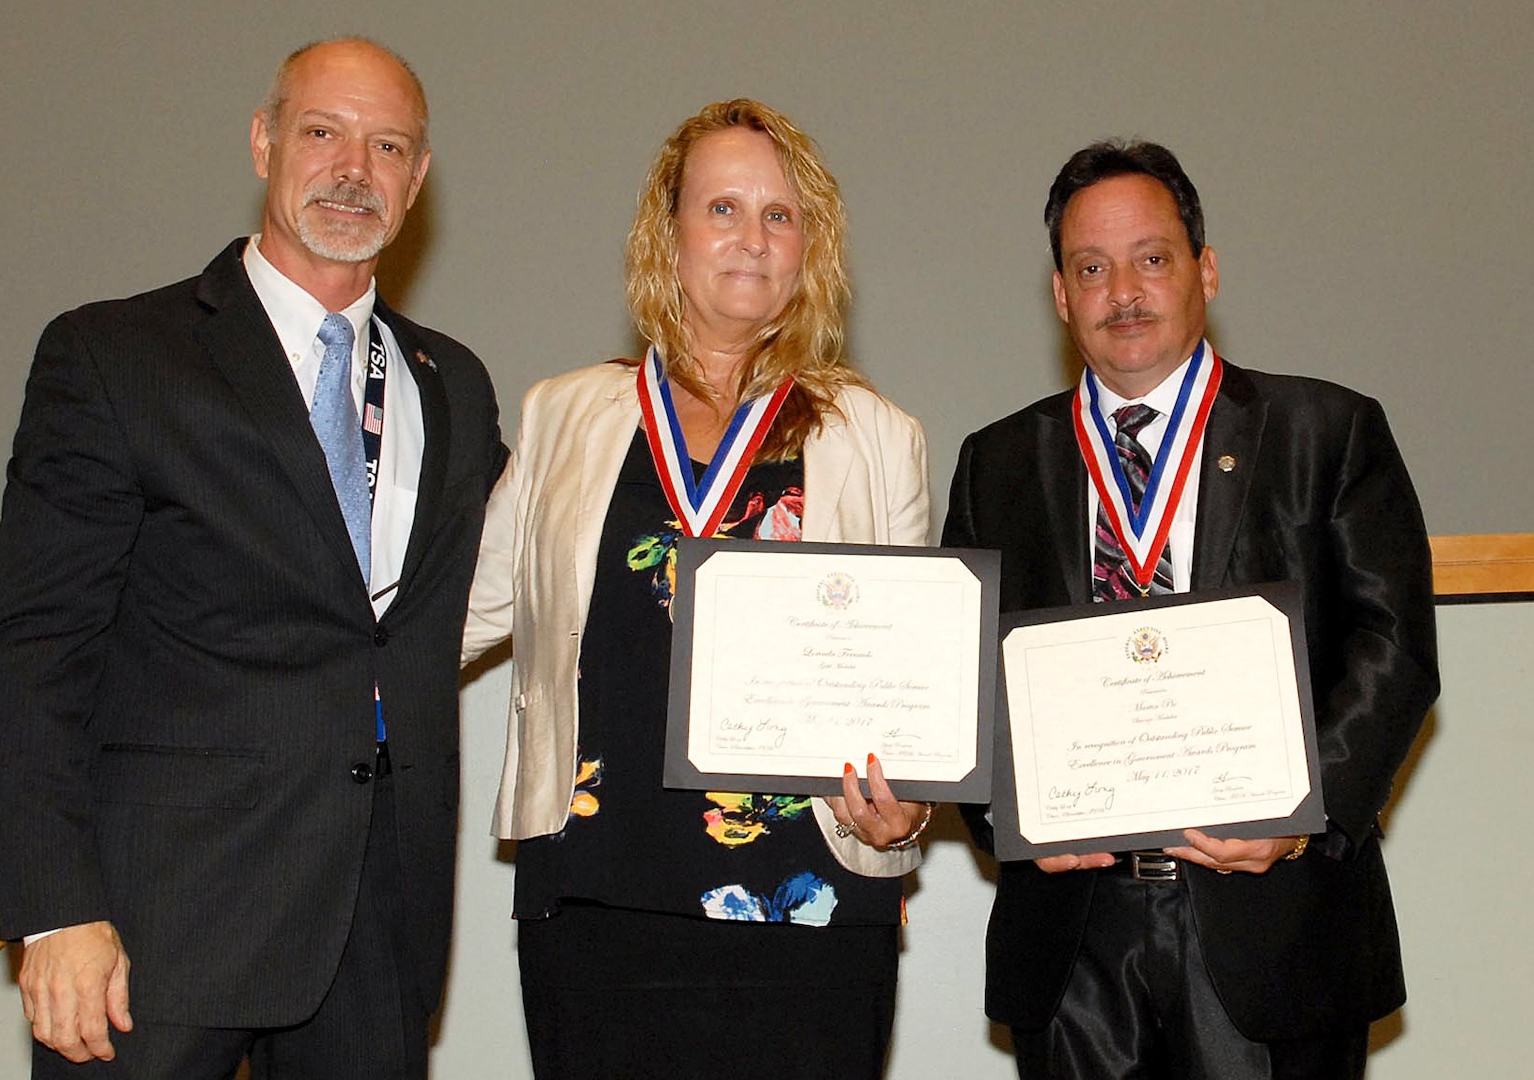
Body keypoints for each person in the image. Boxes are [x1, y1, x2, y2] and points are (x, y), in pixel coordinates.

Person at [0, 38, 506, 1079]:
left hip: (378, 932)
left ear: (418, 178)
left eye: (387, 144)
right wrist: (52, 911)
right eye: (323, 132)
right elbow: (34, 654)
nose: (354, 168)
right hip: (155, 930)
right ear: (264, 143)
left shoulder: (457, 385)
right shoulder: (115, 357)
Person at [944, 140, 1439, 1079]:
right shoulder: (996, 463)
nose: (1122, 290)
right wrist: (1013, 813)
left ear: (1205, 270)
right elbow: (964, 681)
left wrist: (1301, 813)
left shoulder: (1326, 432)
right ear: (1060, 294)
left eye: (1152, 258)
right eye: (1091, 268)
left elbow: (1394, 647)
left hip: (1272, 927)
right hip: (1073, 940)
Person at [462, 98, 932, 1078]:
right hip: (596, 896)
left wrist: (911, 808)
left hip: (813, 900)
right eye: (722, 209)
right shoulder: (566, 416)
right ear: (668, 235)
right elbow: (456, 614)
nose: (751, 238)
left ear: (812, 243)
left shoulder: (879, 435)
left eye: (779, 213)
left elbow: (912, 687)